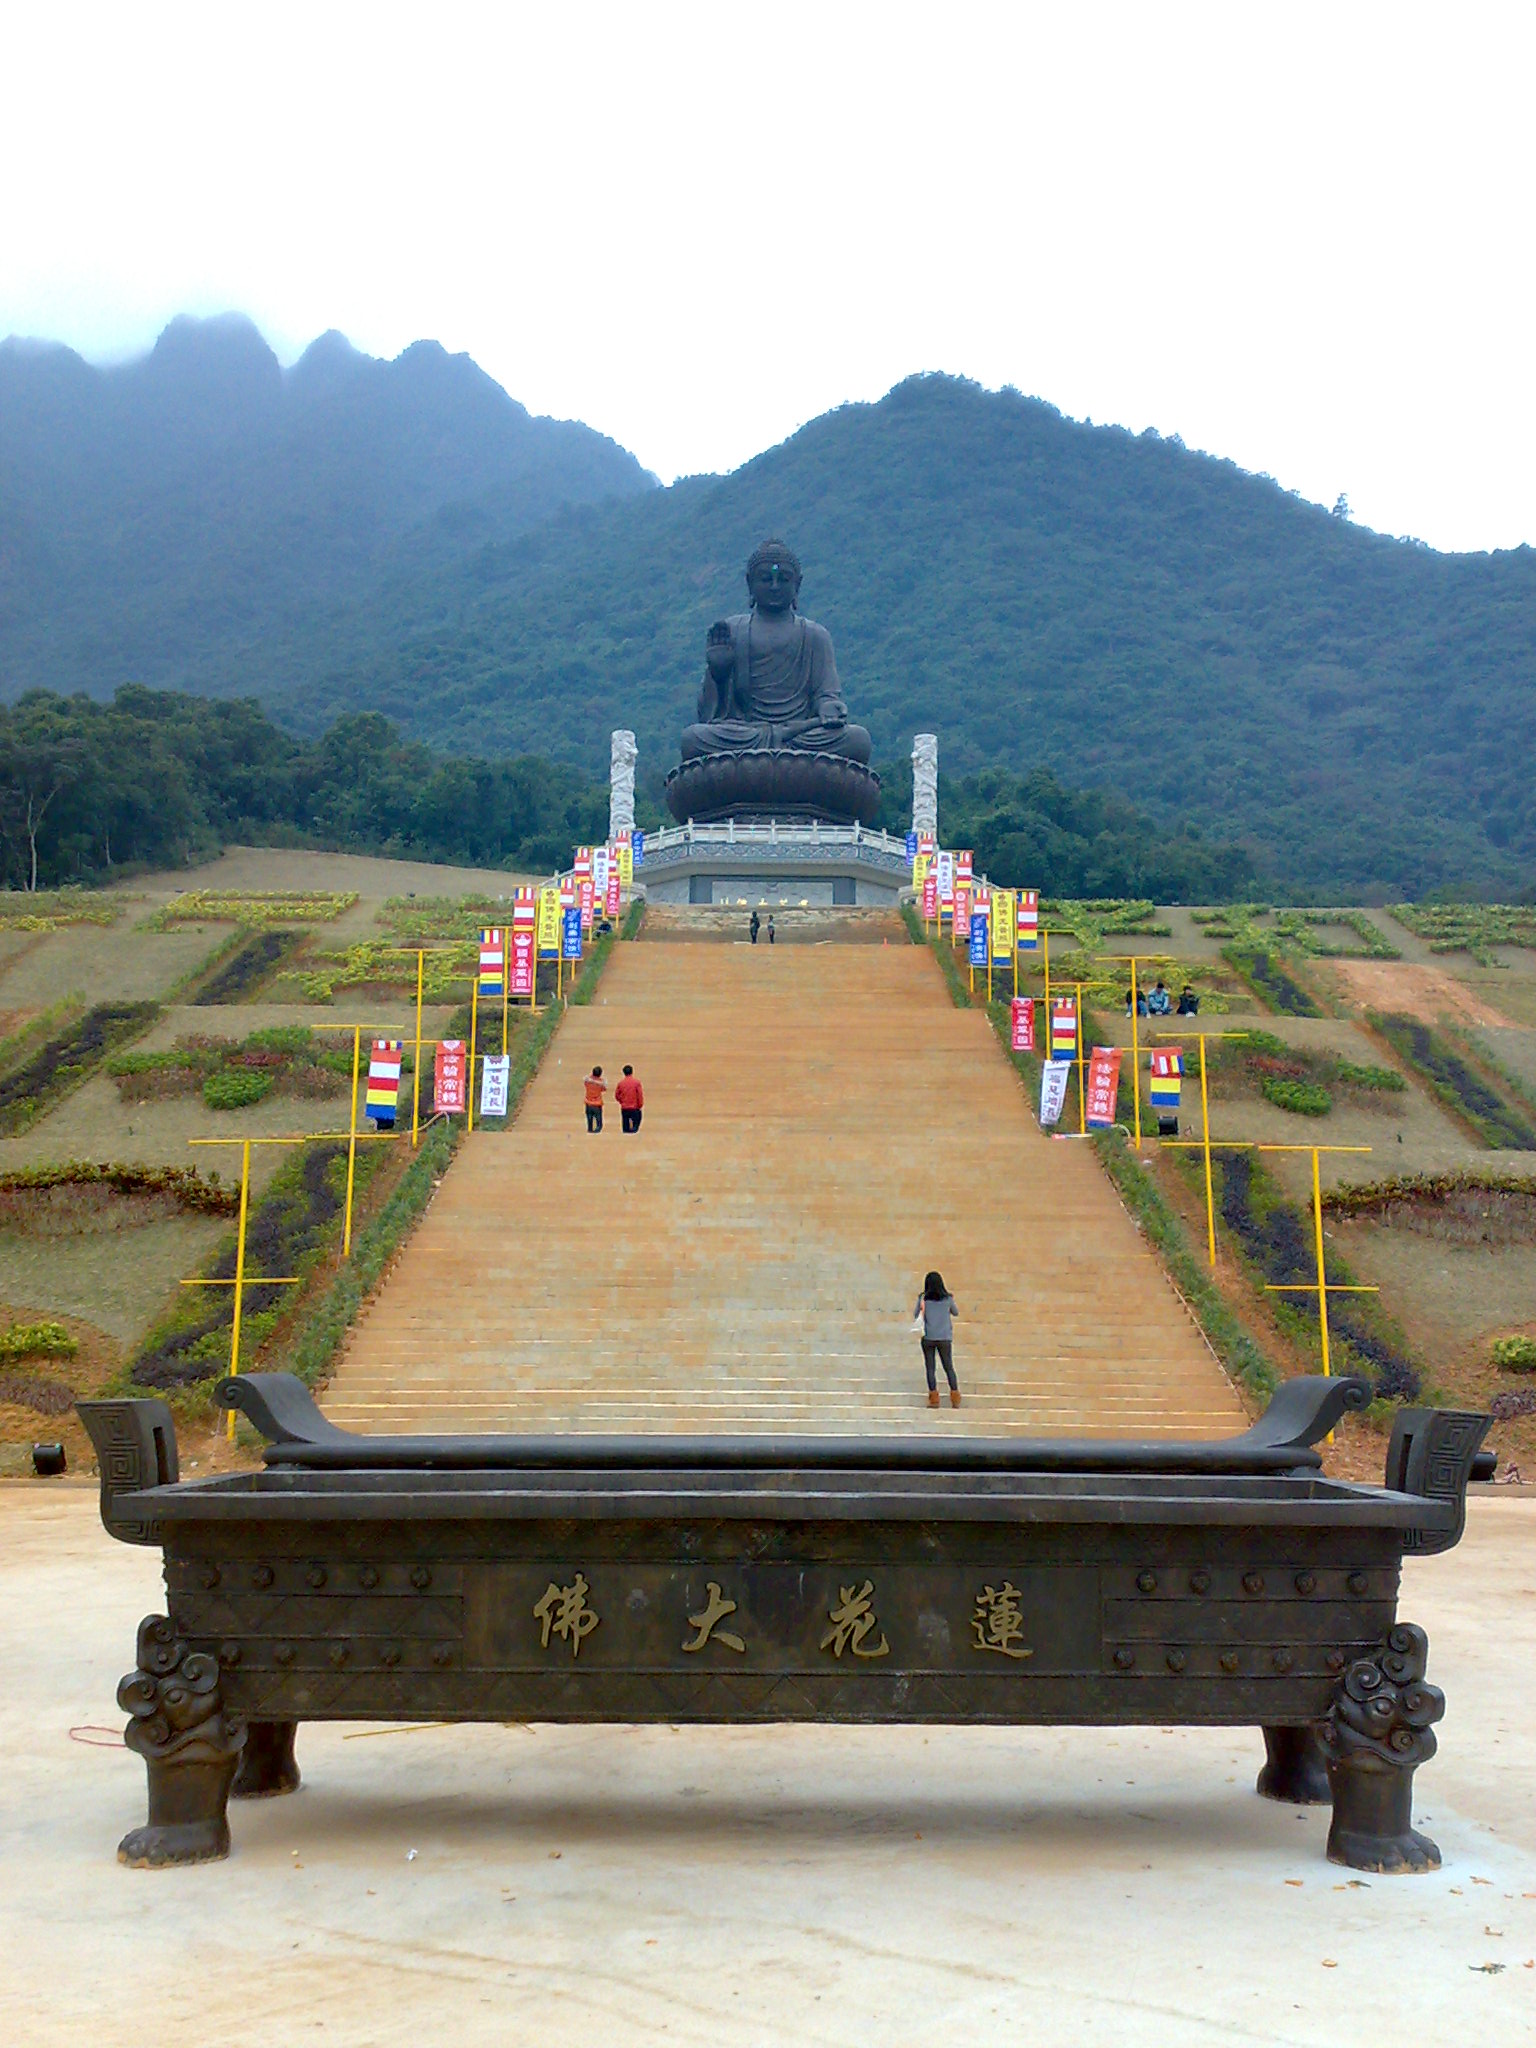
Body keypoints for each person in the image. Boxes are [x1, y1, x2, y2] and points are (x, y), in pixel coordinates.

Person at [913, 1270, 961, 1409]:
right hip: (945, 1337)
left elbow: (916, 1314)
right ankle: (955, 1396)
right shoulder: (947, 1299)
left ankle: (934, 1398)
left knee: (930, 1368)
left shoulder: (923, 1298)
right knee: (948, 1367)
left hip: (928, 1336)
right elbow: (956, 1312)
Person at [615, 1064, 644, 1133]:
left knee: (625, 1127)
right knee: (635, 1125)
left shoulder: (621, 1083)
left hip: (625, 1107)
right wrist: (640, 1105)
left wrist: (622, 1101)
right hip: (634, 1107)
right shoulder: (636, 1083)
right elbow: (639, 1095)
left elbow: (617, 1095)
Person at [583, 1066, 606, 1133]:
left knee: (589, 1119)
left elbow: (585, 1080)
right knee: (598, 1120)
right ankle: (597, 1130)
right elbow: (604, 1088)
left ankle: (590, 1129)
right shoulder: (601, 1082)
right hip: (597, 1104)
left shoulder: (588, 1080)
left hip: (588, 1103)